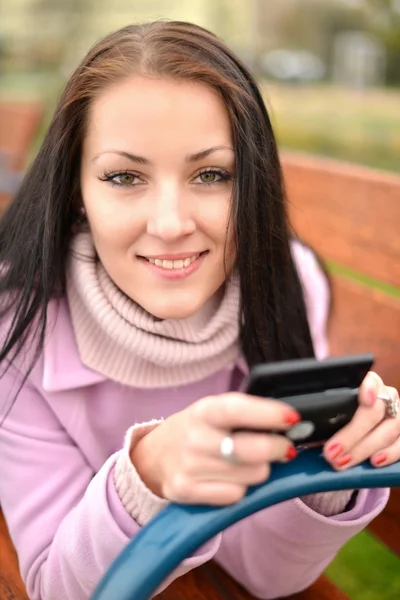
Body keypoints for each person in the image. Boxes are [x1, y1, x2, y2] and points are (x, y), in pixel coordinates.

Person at [0, 21, 398, 600]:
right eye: (124, 177)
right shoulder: (18, 319)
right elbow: (54, 586)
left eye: (211, 174)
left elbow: (268, 575)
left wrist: (331, 471)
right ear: (75, 191)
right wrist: (148, 475)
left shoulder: (288, 283)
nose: (170, 224)